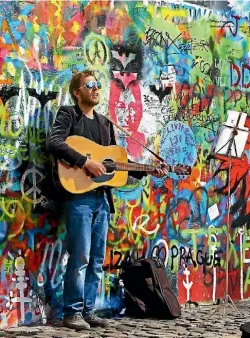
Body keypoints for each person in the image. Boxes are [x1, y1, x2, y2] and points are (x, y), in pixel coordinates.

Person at [47, 69, 167, 330]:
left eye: (97, 85)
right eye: (89, 85)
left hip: (101, 199)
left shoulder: (105, 123)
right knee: (80, 257)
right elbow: (54, 142)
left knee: (97, 259)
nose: (95, 88)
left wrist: (146, 171)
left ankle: (89, 311)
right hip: (78, 198)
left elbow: (114, 165)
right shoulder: (69, 114)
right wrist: (85, 161)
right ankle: (72, 313)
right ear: (77, 92)